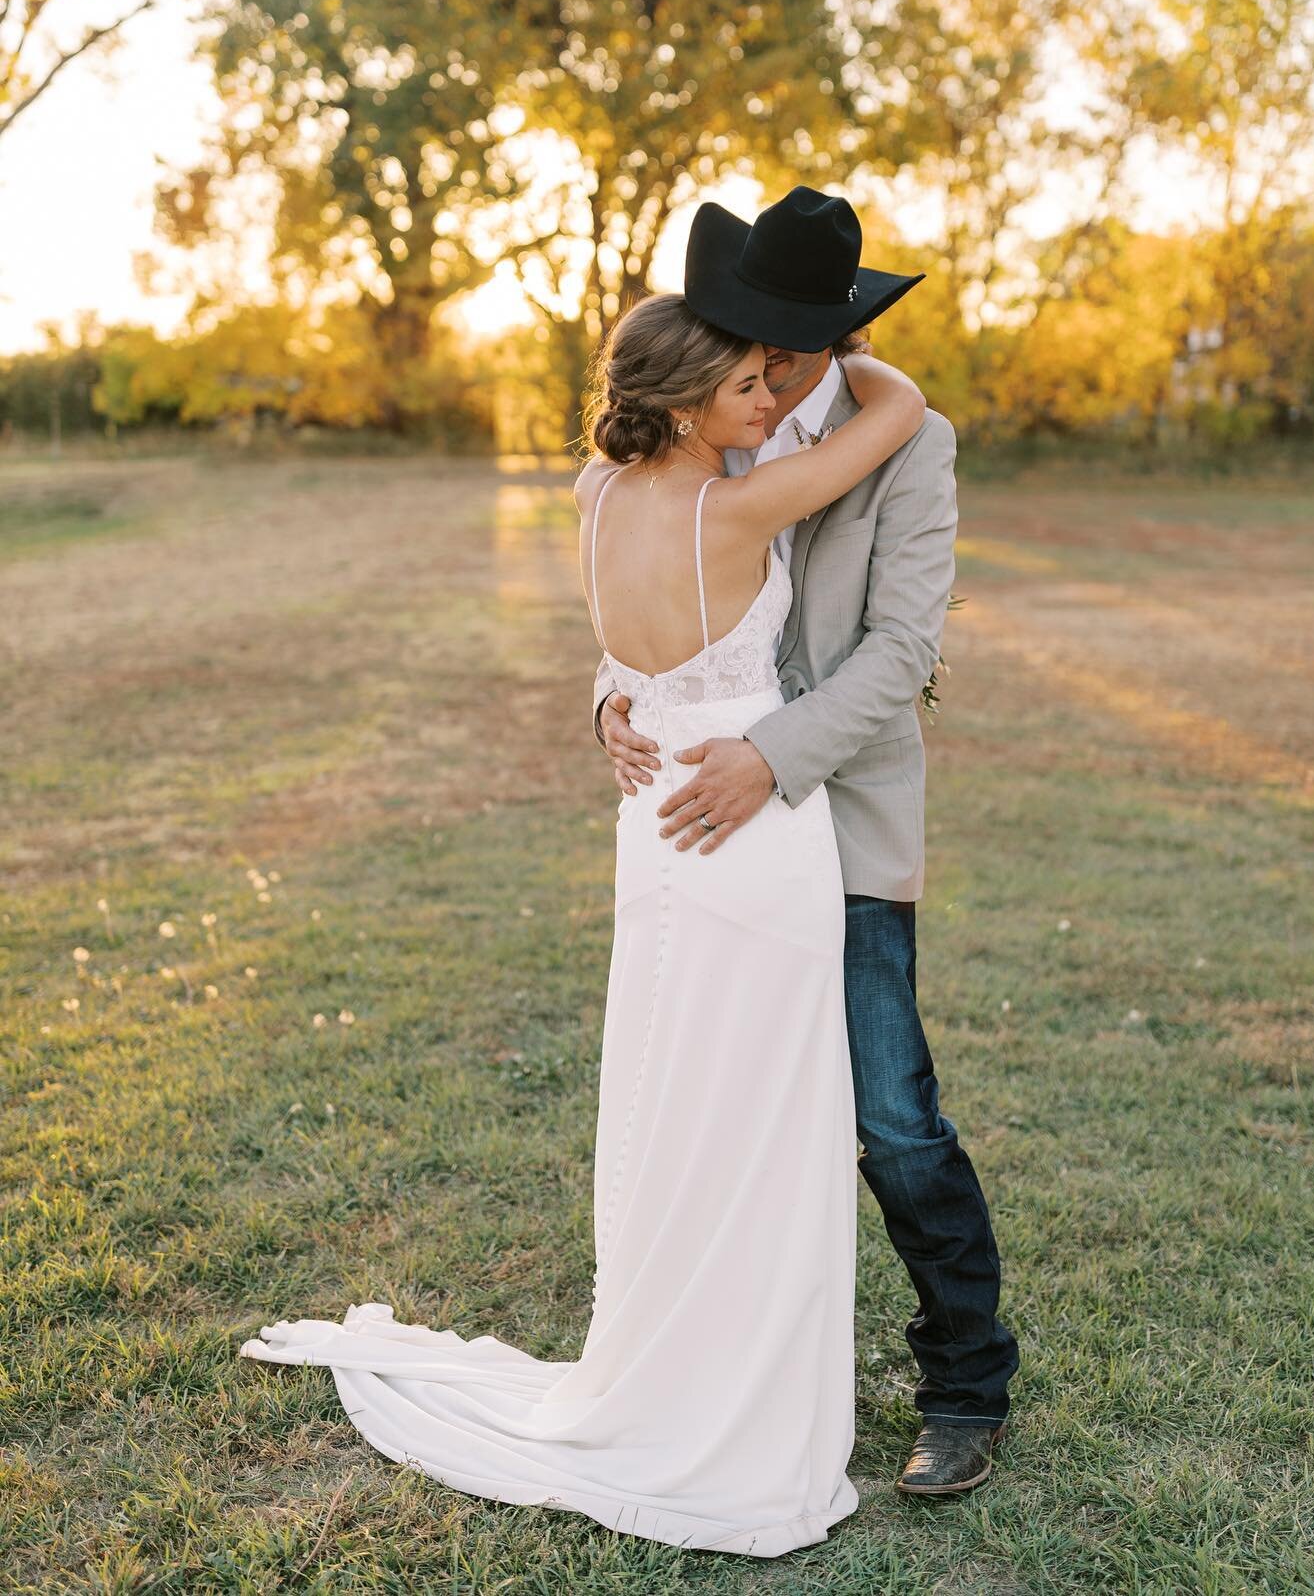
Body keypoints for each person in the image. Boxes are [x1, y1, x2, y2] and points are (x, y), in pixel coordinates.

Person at [239, 277, 928, 1557]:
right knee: (765, 1112)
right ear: (678, 403)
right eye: (743, 386)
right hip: (743, 817)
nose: (769, 400)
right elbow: (898, 408)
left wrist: (614, 710)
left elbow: (627, 658)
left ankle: (682, 1353)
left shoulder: (596, 491)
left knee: (675, 1094)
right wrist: (847, 351)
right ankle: (733, 1395)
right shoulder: (740, 502)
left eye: (773, 381)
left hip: (651, 810)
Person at [597, 186, 1021, 1497]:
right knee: (724, 1101)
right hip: (710, 833)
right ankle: (739, 1363)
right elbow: (644, 587)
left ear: (830, 340)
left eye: (780, 351)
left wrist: (769, 757)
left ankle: (966, 1385)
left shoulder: (913, 442)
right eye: (747, 348)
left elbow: (902, 653)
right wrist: (614, 702)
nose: (761, 379)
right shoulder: (715, 419)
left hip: (840, 814)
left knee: (890, 1115)